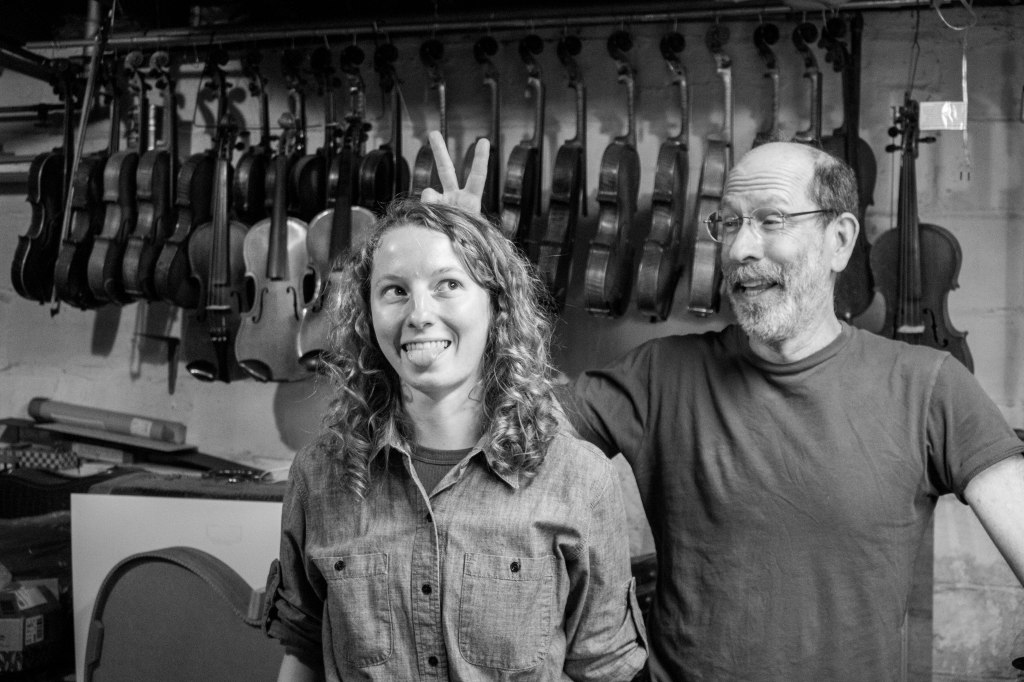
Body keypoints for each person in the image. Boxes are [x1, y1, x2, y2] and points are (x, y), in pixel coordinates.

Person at [426, 134, 1024, 681]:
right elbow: (503, 424)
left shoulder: (930, 386)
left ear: (839, 241)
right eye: (729, 223)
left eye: (771, 221)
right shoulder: (660, 375)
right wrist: (470, 265)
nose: (740, 249)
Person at [263, 197, 648, 681]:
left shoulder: (580, 479)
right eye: (395, 291)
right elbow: (302, 651)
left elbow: (605, 669)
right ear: (368, 314)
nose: (420, 313)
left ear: (496, 304)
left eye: (448, 284)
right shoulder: (319, 474)